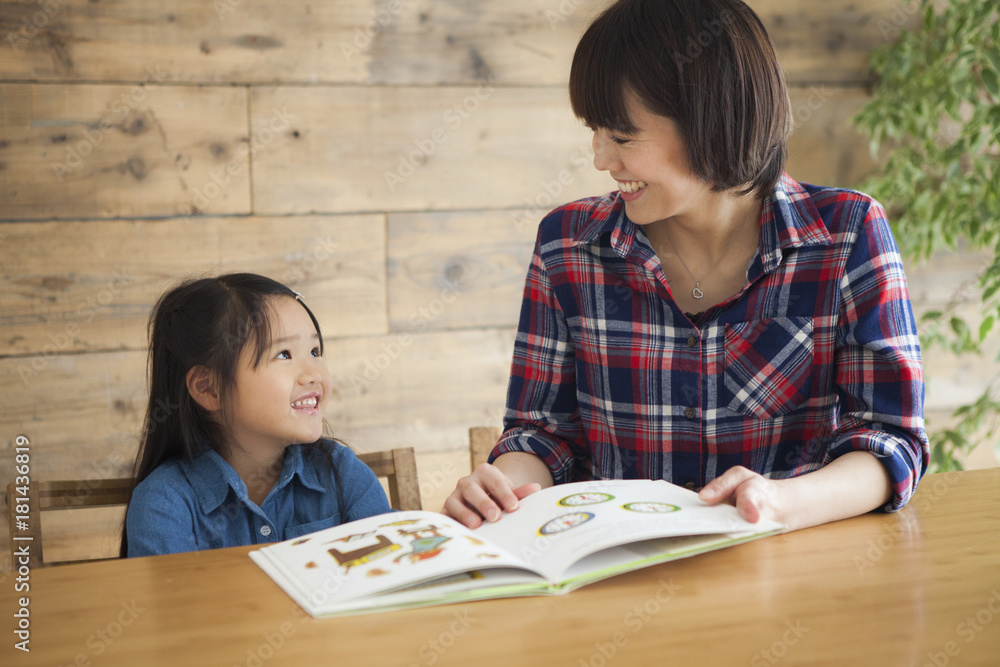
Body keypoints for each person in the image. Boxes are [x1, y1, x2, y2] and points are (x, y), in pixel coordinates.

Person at [443, 0, 928, 531]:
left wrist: (779, 502)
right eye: (596, 132)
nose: (602, 158)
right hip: (617, 573)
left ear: (711, 121)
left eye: (622, 137)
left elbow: (890, 439)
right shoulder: (568, 245)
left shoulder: (846, 233)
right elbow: (542, 434)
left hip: (796, 578)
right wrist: (503, 489)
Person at [123, 273, 391, 557]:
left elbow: (396, 563)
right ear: (209, 388)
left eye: (315, 351)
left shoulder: (341, 472)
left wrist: (441, 528)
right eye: (284, 355)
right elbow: (167, 601)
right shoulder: (164, 503)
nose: (314, 374)